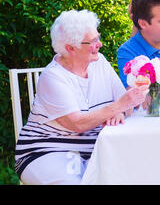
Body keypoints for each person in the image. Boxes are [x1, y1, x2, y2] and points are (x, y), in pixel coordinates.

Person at [15, 10, 148, 185]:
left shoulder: (99, 62)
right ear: (71, 48)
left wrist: (120, 111)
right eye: (93, 41)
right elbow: (78, 123)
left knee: (139, 172)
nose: (100, 44)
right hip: (46, 150)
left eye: (97, 38)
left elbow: (123, 103)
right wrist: (117, 107)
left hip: (96, 149)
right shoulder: (52, 77)